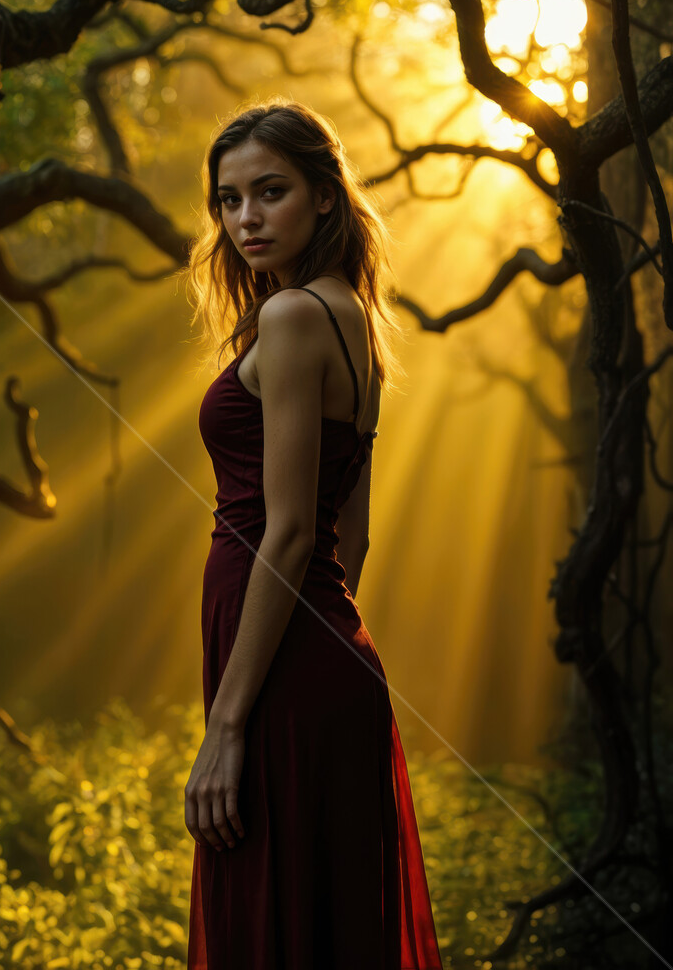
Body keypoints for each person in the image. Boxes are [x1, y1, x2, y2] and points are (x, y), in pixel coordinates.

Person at [180, 99, 444, 968]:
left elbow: (293, 533)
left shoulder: (294, 319)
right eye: (229, 200)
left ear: (325, 197)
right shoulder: (356, 322)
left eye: (270, 191)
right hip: (318, 658)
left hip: (285, 674)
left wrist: (228, 724)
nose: (245, 218)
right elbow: (349, 542)